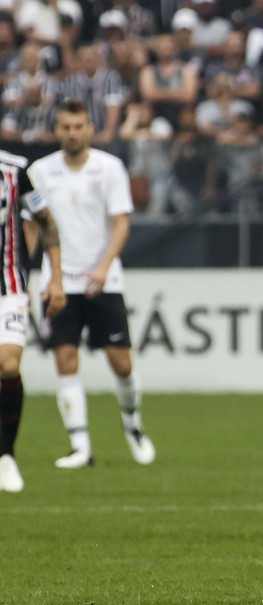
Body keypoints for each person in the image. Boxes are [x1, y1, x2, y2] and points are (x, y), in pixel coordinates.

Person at [26, 99, 155, 469]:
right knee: (65, 358)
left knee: (122, 363)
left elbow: (121, 224)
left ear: (89, 129)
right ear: (57, 130)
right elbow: (32, 225)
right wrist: (30, 275)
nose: (72, 133)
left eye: (78, 126)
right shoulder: (40, 172)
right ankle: (80, 446)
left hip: (103, 279)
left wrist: (102, 268)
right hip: (58, 282)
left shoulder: (110, 168)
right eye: (65, 127)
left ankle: (132, 423)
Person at [0, 149, 66, 492]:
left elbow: (46, 220)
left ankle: (6, 455)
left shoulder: (15, 168)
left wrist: (55, 278)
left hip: (8, 287)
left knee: (8, 366)